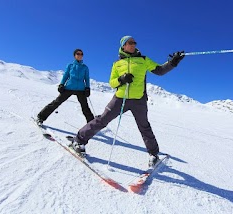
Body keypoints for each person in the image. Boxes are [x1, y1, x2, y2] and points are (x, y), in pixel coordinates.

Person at [71, 36, 185, 166]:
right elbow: (112, 83)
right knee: (102, 119)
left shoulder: (143, 60)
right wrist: (121, 79)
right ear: (123, 46)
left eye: (134, 42)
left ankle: (153, 154)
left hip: (139, 100)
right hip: (120, 98)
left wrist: (173, 62)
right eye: (130, 43)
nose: (133, 44)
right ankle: (79, 140)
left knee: (144, 127)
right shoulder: (117, 64)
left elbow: (160, 71)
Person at [36, 49, 94, 125]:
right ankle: (41, 117)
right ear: (74, 55)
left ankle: (92, 125)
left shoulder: (85, 67)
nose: (80, 55)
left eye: (81, 54)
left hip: (81, 89)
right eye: (78, 54)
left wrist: (87, 88)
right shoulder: (70, 65)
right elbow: (66, 75)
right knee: (56, 102)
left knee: (85, 107)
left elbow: (86, 78)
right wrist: (62, 84)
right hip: (69, 87)